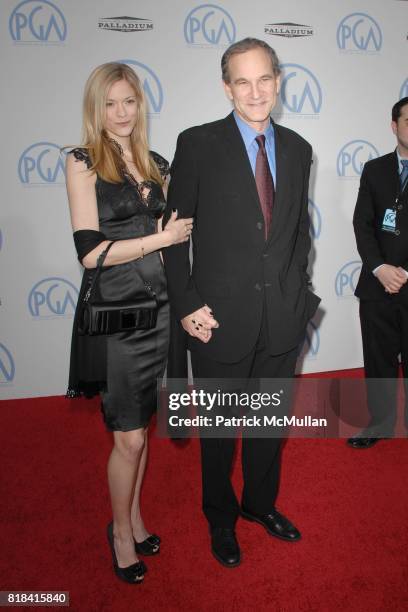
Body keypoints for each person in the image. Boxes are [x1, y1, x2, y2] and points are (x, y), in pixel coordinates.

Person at [163, 38, 320, 567]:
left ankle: (259, 505)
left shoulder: (299, 148)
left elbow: (299, 232)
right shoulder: (198, 143)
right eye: (243, 82)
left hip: (281, 318)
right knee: (217, 433)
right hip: (215, 319)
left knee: (267, 427)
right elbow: (174, 235)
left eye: (265, 79)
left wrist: (299, 297)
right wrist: (185, 303)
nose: (256, 92)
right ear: (226, 87)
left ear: (278, 80)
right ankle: (221, 516)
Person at [65, 62, 193, 583]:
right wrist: (161, 239)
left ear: (140, 105)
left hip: (159, 309)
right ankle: (119, 532)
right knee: (129, 438)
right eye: (110, 103)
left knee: (143, 427)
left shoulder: (155, 161)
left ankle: (135, 517)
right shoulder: (82, 162)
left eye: (129, 102)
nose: (120, 113)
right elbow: (89, 254)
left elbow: (177, 244)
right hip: (117, 315)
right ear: (96, 108)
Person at [349, 97, 408, 449]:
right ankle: (380, 423)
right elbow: (362, 223)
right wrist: (380, 267)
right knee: (378, 361)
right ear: (394, 125)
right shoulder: (374, 170)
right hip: (377, 286)